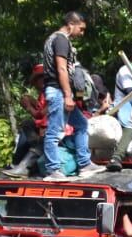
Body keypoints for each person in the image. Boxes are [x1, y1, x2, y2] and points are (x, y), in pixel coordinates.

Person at [41, 12, 103, 179]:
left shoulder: (55, 39)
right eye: (81, 29)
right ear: (71, 25)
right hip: (58, 92)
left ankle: (85, 164)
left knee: (82, 124)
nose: (82, 33)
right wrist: (68, 96)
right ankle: (53, 169)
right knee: (54, 131)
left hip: (61, 91)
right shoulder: (61, 40)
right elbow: (61, 68)